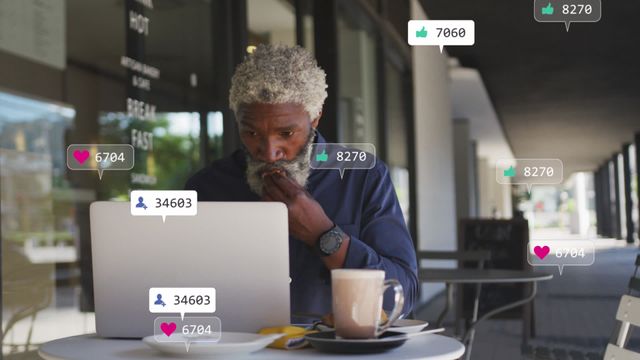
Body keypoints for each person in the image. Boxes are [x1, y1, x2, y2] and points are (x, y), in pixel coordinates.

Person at [185, 44, 417, 318]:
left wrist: (322, 234)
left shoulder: (363, 176)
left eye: (286, 133)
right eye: (251, 133)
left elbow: (402, 296)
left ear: (315, 117)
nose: (269, 152)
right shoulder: (207, 188)